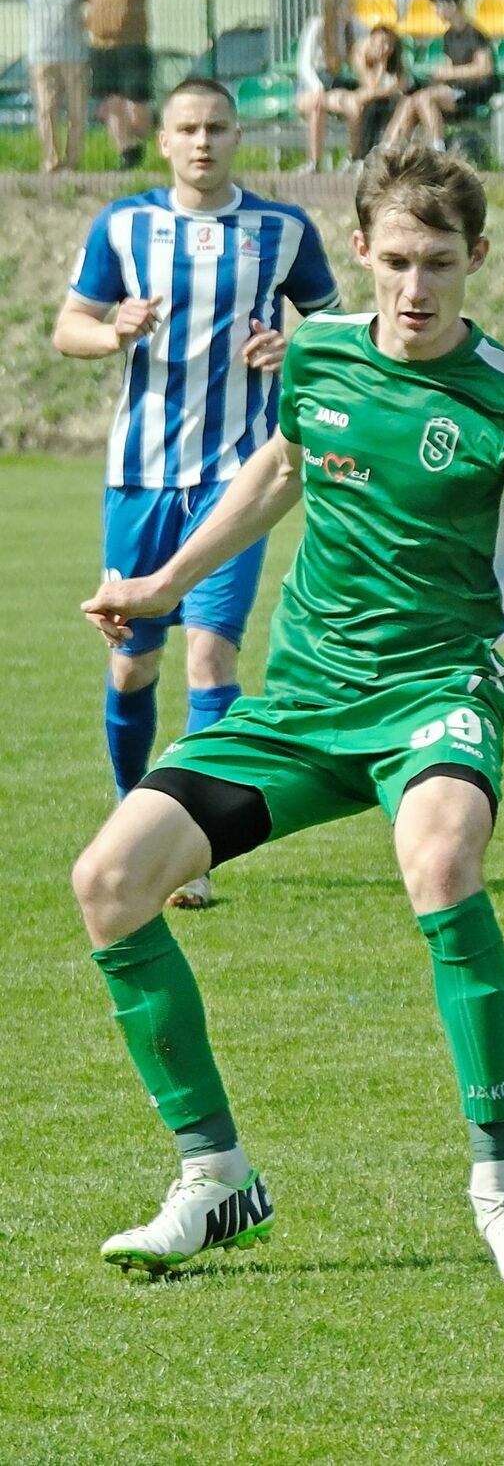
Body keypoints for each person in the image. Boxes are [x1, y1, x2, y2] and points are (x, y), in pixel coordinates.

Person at [74, 142, 504, 1285]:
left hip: (436, 693)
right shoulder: (316, 353)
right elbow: (281, 469)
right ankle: (215, 1175)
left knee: (441, 856)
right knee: (110, 881)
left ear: (478, 258)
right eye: (398, 261)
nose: (417, 289)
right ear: (361, 250)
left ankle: (502, 1190)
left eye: (441, 264)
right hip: (301, 702)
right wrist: (163, 586)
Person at [52, 78, 341, 910]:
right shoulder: (126, 226)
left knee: (211, 654)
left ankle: (192, 843)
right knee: (133, 664)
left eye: (217, 126)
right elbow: (69, 327)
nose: (204, 141)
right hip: (140, 479)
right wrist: (113, 332)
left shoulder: (283, 231)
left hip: (236, 479)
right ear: (166, 139)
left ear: (237, 134)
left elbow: (335, 327)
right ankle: (131, 809)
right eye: (188, 128)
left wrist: (294, 348)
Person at [73, 0, 163, 169]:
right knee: (110, 104)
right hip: (102, 47)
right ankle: (126, 152)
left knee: (137, 107)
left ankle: (147, 128)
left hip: (132, 45)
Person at [0, 0, 88, 173]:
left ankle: (72, 163)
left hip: (74, 57)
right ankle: (51, 161)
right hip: (41, 58)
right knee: (46, 111)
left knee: (77, 112)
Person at [387, 0, 498, 152]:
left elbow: (484, 69)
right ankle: (389, 148)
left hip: (475, 91)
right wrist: (439, 76)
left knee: (425, 98)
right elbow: (450, 66)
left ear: (452, 6)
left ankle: (438, 150)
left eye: (438, 6)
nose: (435, 11)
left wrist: (450, 72)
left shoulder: (474, 33)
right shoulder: (448, 35)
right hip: (456, 88)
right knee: (409, 100)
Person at [296, 22, 412, 172]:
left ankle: (359, 157)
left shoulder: (396, 63)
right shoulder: (360, 54)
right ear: (371, 40)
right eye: (381, 43)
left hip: (385, 101)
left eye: (389, 45)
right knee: (358, 106)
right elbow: (370, 83)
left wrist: (381, 70)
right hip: (355, 94)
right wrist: (380, 72)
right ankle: (353, 156)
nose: (385, 48)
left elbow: (397, 87)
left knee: (368, 104)